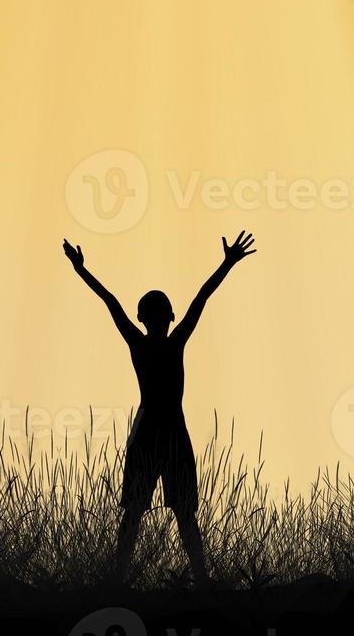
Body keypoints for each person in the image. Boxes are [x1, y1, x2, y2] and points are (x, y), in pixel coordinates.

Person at [62, 232, 257, 585]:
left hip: (154, 434)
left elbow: (111, 302)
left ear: (143, 318)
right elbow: (200, 299)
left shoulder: (141, 342)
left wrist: (81, 270)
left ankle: (125, 580)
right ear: (168, 316)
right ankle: (195, 581)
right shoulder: (172, 341)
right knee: (175, 515)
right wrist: (226, 264)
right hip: (165, 434)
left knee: (142, 515)